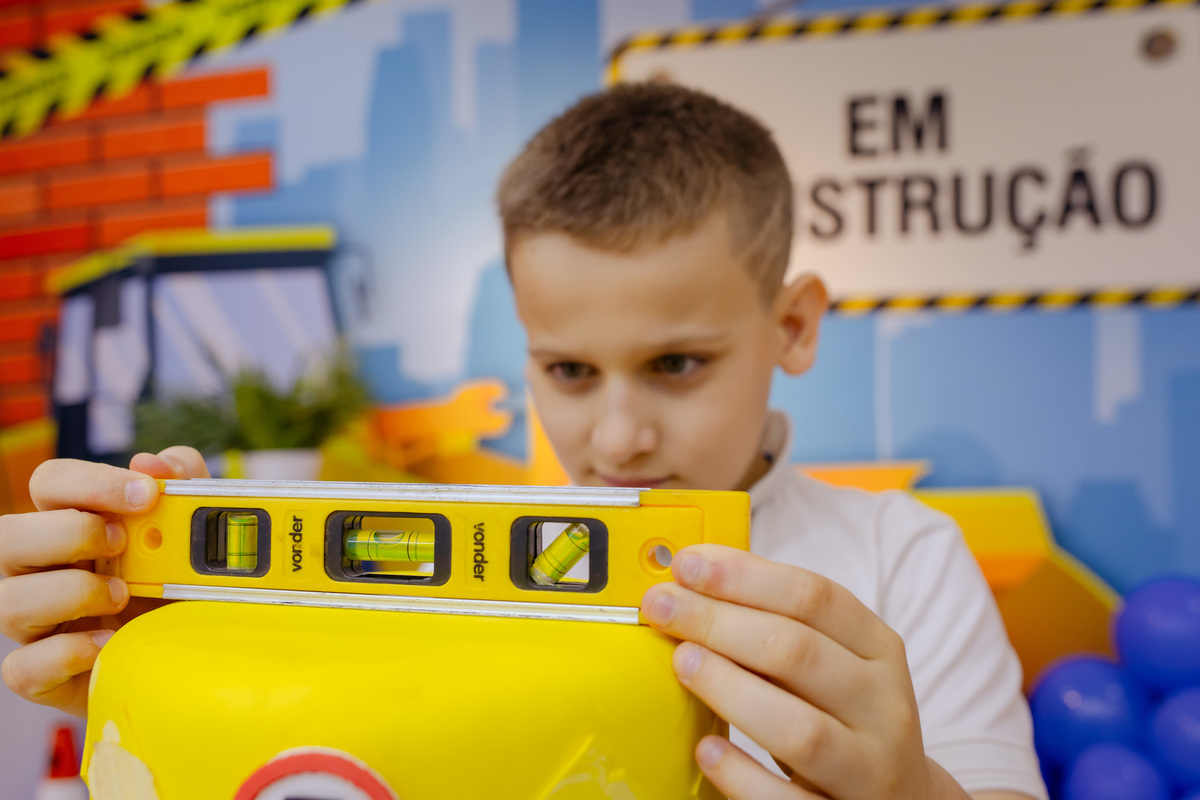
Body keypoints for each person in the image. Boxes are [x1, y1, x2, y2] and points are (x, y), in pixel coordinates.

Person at [0, 82, 1045, 800]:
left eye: (677, 363)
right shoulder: (420, 579)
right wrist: (164, 661)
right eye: (570, 371)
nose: (620, 435)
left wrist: (913, 791)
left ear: (795, 326)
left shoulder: (901, 558)